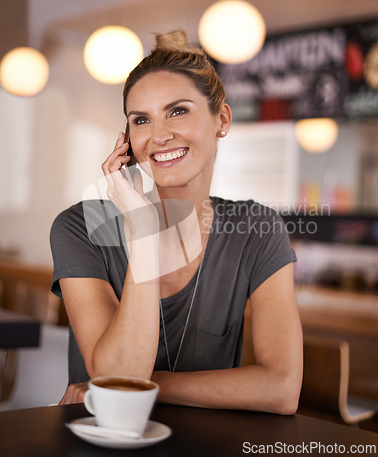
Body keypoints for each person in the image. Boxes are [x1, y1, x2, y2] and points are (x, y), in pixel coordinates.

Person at [50, 30, 303, 413]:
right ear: (127, 140)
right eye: (141, 120)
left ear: (222, 119)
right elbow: (120, 372)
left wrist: (140, 385)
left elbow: (281, 389)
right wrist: (144, 235)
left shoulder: (257, 227)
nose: (160, 135)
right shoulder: (80, 226)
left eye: (178, 111)